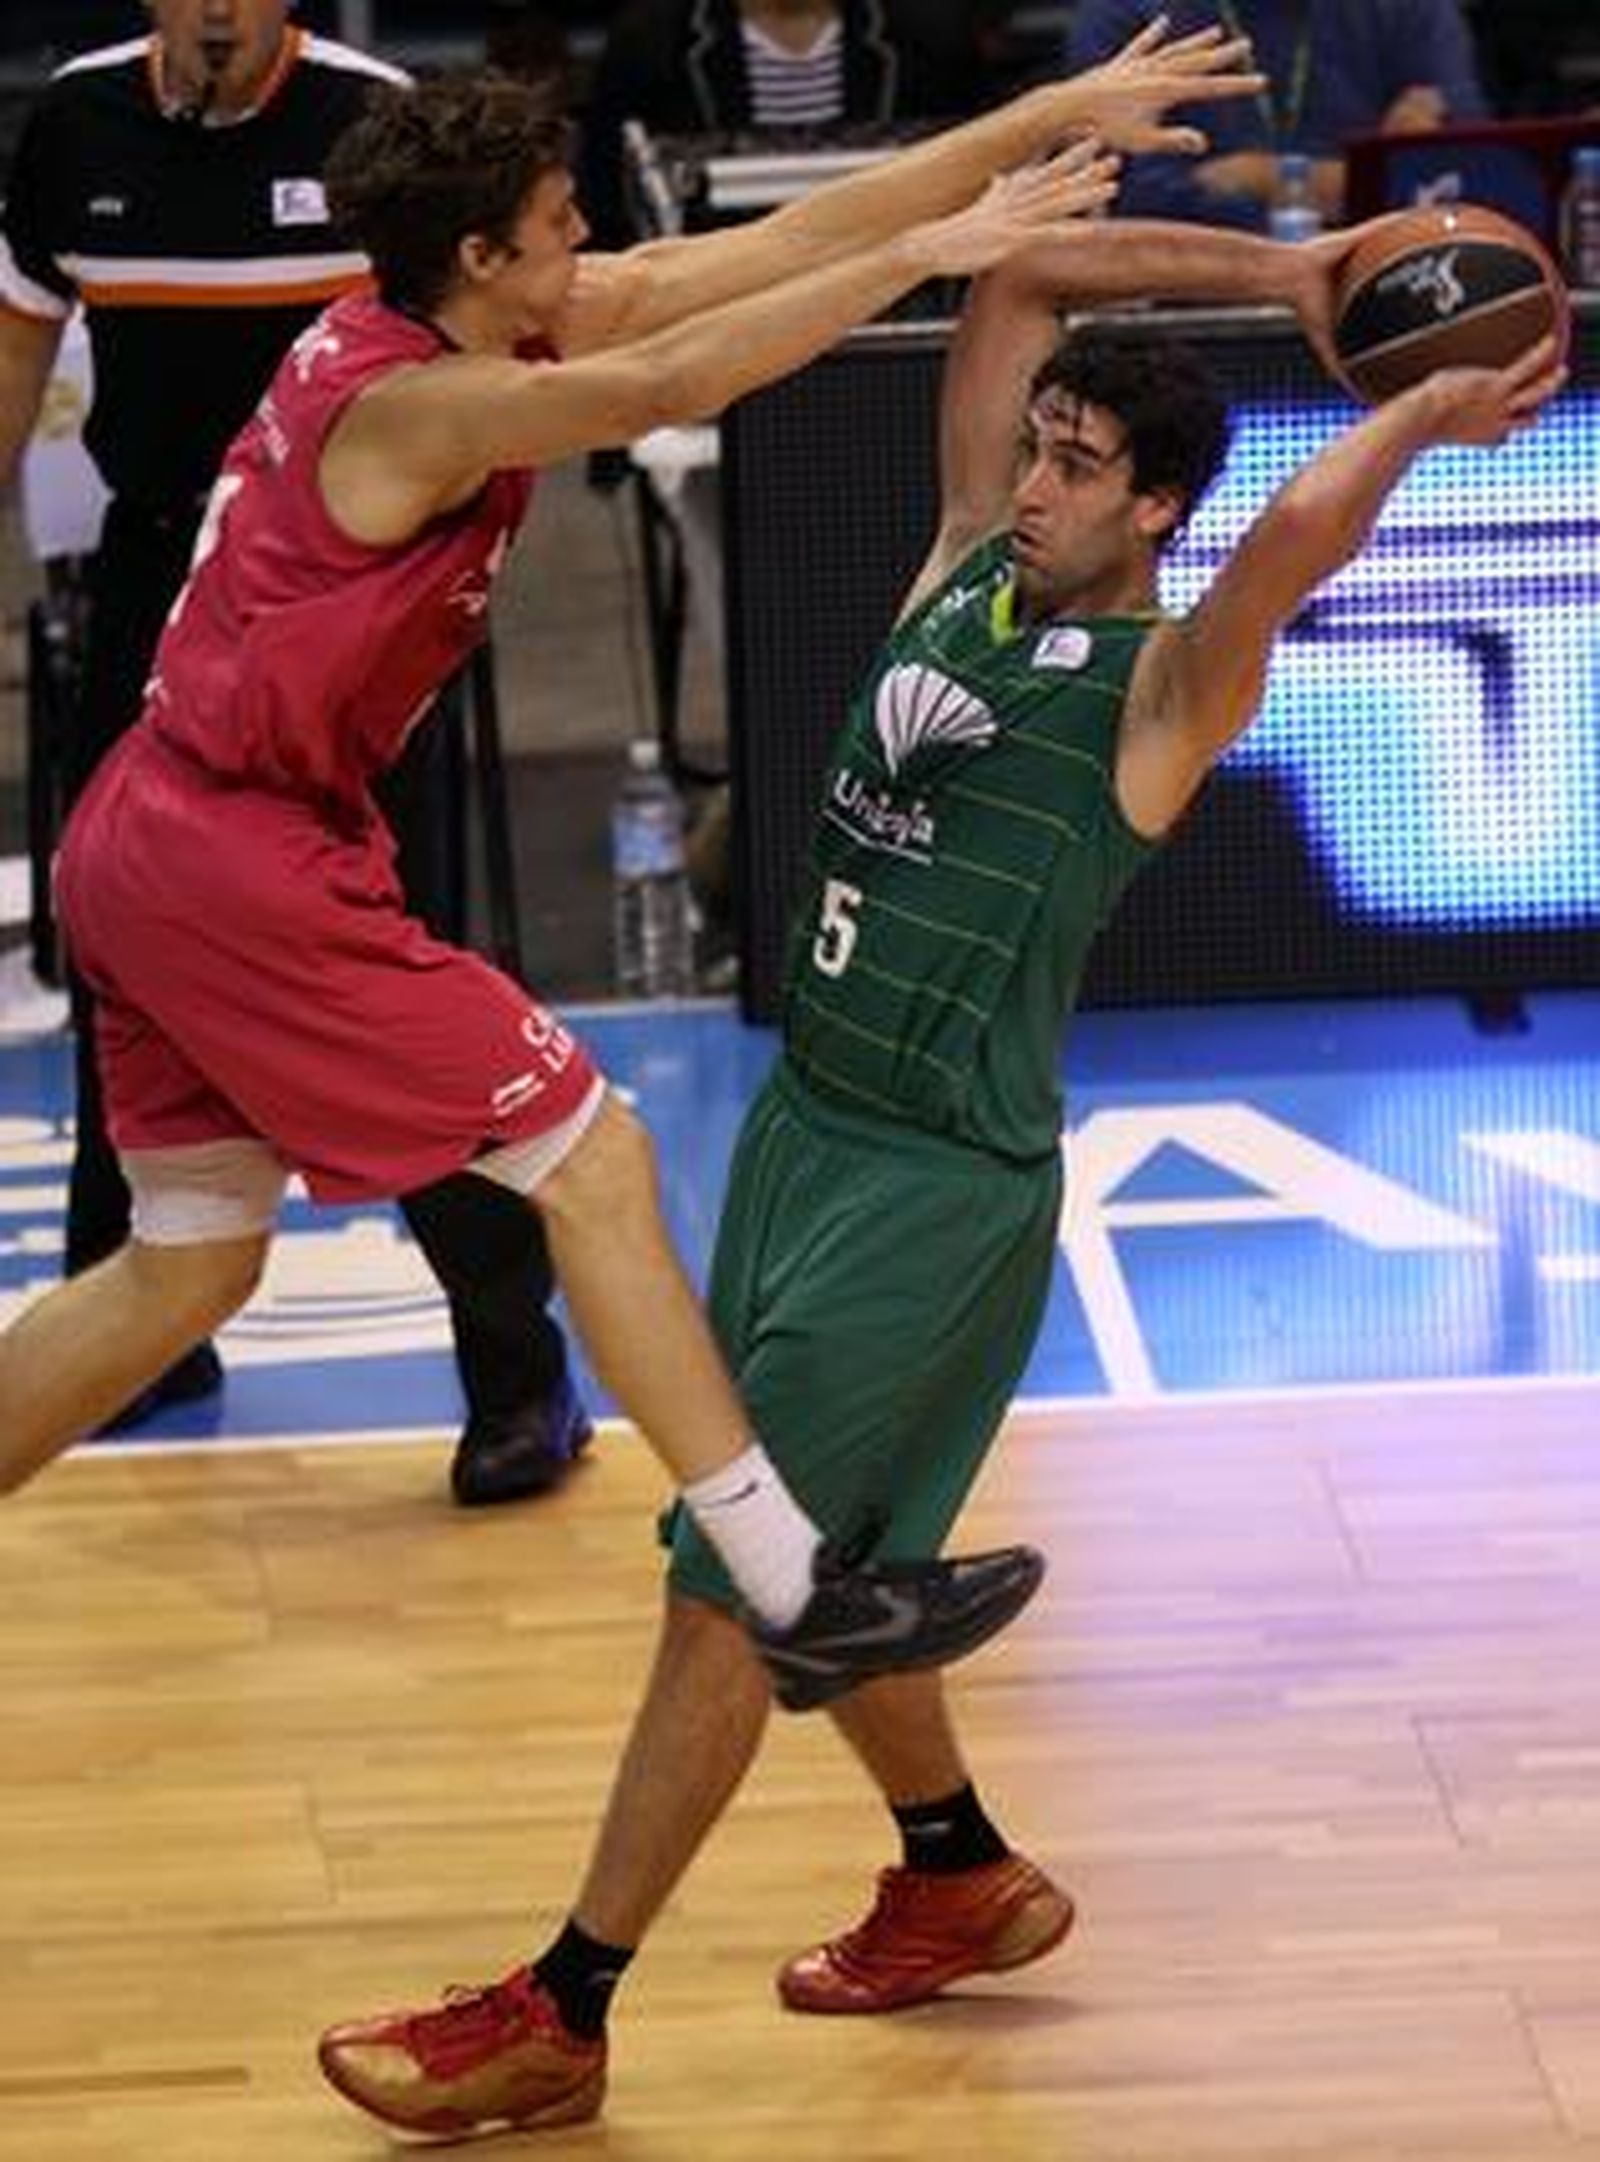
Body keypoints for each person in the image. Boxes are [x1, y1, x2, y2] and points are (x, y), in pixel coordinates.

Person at [315, 204, 1566, 2136]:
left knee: (727, 1587)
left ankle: (565, 2007)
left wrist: (1409, 418)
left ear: (1156, 512)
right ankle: (956, 1868)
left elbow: (1300, 537)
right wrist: (1295, 269)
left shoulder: (1159, 694)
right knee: (830, 1566)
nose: (1039, 476)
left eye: (1082, 465)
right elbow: (1014, 284)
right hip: (809, 1135)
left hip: (933, 1189)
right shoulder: (969, 569)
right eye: (1040, 445)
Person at [0, 38, 1277, 1668]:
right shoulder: (421, 398)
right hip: (232, 856)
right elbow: (668, 383)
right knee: (589, 1155)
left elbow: (738, 261)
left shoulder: (437, 317)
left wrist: (1032, 118)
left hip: (153, 828)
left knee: (182, 1272)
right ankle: (791, 1576)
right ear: (484, 256)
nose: (585, 247)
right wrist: (923, 257)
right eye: (556, 223)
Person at [0, 0, 591, 1505]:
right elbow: (20, 360)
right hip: (156, 579)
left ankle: (516, 1381)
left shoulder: (380, 124)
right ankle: (142, 1327)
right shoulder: (70, 126)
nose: (213, 8)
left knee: (401, 966)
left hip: (346, 592)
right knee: (120, 946)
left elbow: (536, 340)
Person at [578, 0, 994, 251]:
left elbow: (980, 181)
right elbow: (606, 207)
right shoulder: (651, 40)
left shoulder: (932, 34)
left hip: (892, 289)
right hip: (713, 308)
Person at [1066, 0, 1486, 229]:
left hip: (1384, 284)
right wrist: (1374, 180)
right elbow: (1126, 204)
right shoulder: (1127, 13)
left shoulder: (1410, 9)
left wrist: (1256, 178)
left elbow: (1473, 182)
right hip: (1186, 303)